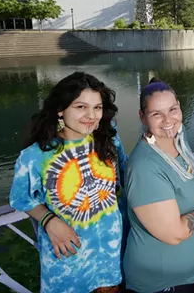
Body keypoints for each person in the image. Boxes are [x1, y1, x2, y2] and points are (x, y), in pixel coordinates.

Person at [9, 72, 128, 293]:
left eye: (97, 107)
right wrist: (49, 220)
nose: (91, 116)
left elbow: (127, 173)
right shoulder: (36, 156)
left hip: (108, 256)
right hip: (67, 262)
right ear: (61, 109)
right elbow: (20, 198)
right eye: (81, 107)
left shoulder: (108, 139)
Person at [123, 78, 194, 293]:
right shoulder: (144, 166)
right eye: (156, 114)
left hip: (192, 273)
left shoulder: (177, 139)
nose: (167, 120)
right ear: (142, 117)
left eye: (172, 109)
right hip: (163, 282)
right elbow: (175, 234)